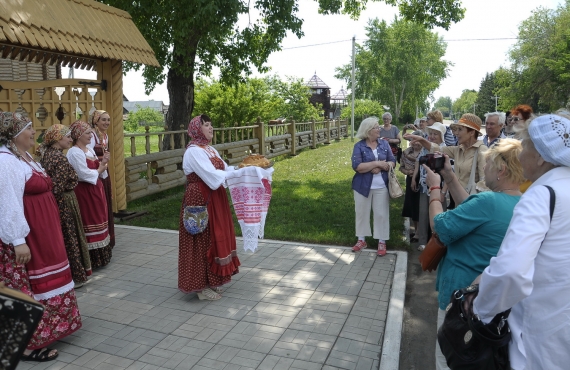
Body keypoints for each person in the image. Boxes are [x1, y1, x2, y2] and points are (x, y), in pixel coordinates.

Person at [473, 112, 570, 370]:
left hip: (538, 334)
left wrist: (480, 310)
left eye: (524, 145)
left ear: (540, 157)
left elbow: (511, 271)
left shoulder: (540, 195)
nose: (520, 152)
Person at [424, 138, 525, 370]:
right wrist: (449, 177)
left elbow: (440, 227)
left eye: (487, 164)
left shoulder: (488, 201)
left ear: (501, 170)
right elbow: (472, 209)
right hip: (492, 296)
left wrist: (434, 190)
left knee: (449, 355)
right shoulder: (521, 201)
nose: (484, 169)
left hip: (461, 296)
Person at [0, 112, 82, 362]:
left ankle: (48, 329)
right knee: (24, 285)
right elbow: (8, 203)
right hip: (28, 234)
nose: (34, 132)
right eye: (28, 128)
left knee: (48, 276)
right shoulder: (6, 161)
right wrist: (18, 240)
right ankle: (24, 345)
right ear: (14, 135)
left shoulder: (24, 157)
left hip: (44, 230)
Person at [179, 114, 240, 300]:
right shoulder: (194, 151)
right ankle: (200, 287)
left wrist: (244, 170)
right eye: (206, 125)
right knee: (201, 239)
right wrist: (231, 174)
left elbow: (224, 169)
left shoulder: (209, 149)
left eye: (211, 125)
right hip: (200, 197)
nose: (211, 128)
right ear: (197, 129)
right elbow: (212, 177)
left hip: (214, 195)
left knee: (215, 236)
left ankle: (212, 280)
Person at [37, 124, 92, 287]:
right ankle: (77, 275)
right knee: (70, 235)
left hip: (58, 200)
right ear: (57, 138)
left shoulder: (48, 154)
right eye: (67, 136)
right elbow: (57, 186)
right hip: (64, 200)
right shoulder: (59, 158)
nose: (70, 139)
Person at [67, 120, 112, 269]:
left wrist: (104, 162)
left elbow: (99, 170)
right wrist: (99, 170)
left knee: (99, 218)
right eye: (87, 133)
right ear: (78, 135)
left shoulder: (89, 150)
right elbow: (82, 174)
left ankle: (102, 255)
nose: (90, 136)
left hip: (95, 190)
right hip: (84, 192)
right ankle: (92, 259)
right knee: (89, 220)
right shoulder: (74, 152)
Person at [405, 113, 487, 195]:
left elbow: (485, 184)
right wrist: (421, 140)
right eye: (456, 129)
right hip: (459, 200)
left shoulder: (482, 150)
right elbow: (437, 149)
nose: (456, 133)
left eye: (460, 129)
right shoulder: (458, 149)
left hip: (472, 202)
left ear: (472, 132)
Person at [351, 116, 396, 257]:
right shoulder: (359, 146)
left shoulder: (384, 144)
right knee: (361, 212)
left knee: (381, 213)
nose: (380, 129)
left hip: (381, 185)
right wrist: (376, 164)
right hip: (362, 186)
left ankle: (382, 241)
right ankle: (361, 240)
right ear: (368, 130)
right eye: (377, 127)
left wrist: (384, 166)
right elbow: (357, 166)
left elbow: (393, 161)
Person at [411, 122, 447, 251]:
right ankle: (422, 242)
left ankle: (437, 244)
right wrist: (414, 178)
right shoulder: (425, 149)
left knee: (438, 217)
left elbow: (450, 173)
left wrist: (443, 192)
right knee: (423, 214)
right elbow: (418, 162)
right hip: (424, 187)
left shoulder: (444, 149)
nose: (431, 136)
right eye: (430, 133)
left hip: (439, 189)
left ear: (441, 136)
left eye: (435, 134)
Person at [88, 110, 115, 248]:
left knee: (106, 201)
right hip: (95, 171)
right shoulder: (91, 135)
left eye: (108, 120)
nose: (106, 123)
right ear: (96, 121)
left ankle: (108, 235)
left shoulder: (105, 135)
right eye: (103, 119)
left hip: (103, 170)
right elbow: (87, 154)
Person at [400, 138, 422, 238]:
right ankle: (417, 230)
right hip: (411, 180)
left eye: (418, 140)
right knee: (413, 205)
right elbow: (401, 167)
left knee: (422, 206)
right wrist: (407, 172)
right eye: (414, 141)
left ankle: (422, 231)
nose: (416, 143)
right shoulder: (406, 152)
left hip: (423, 181)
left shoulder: (426, 151)